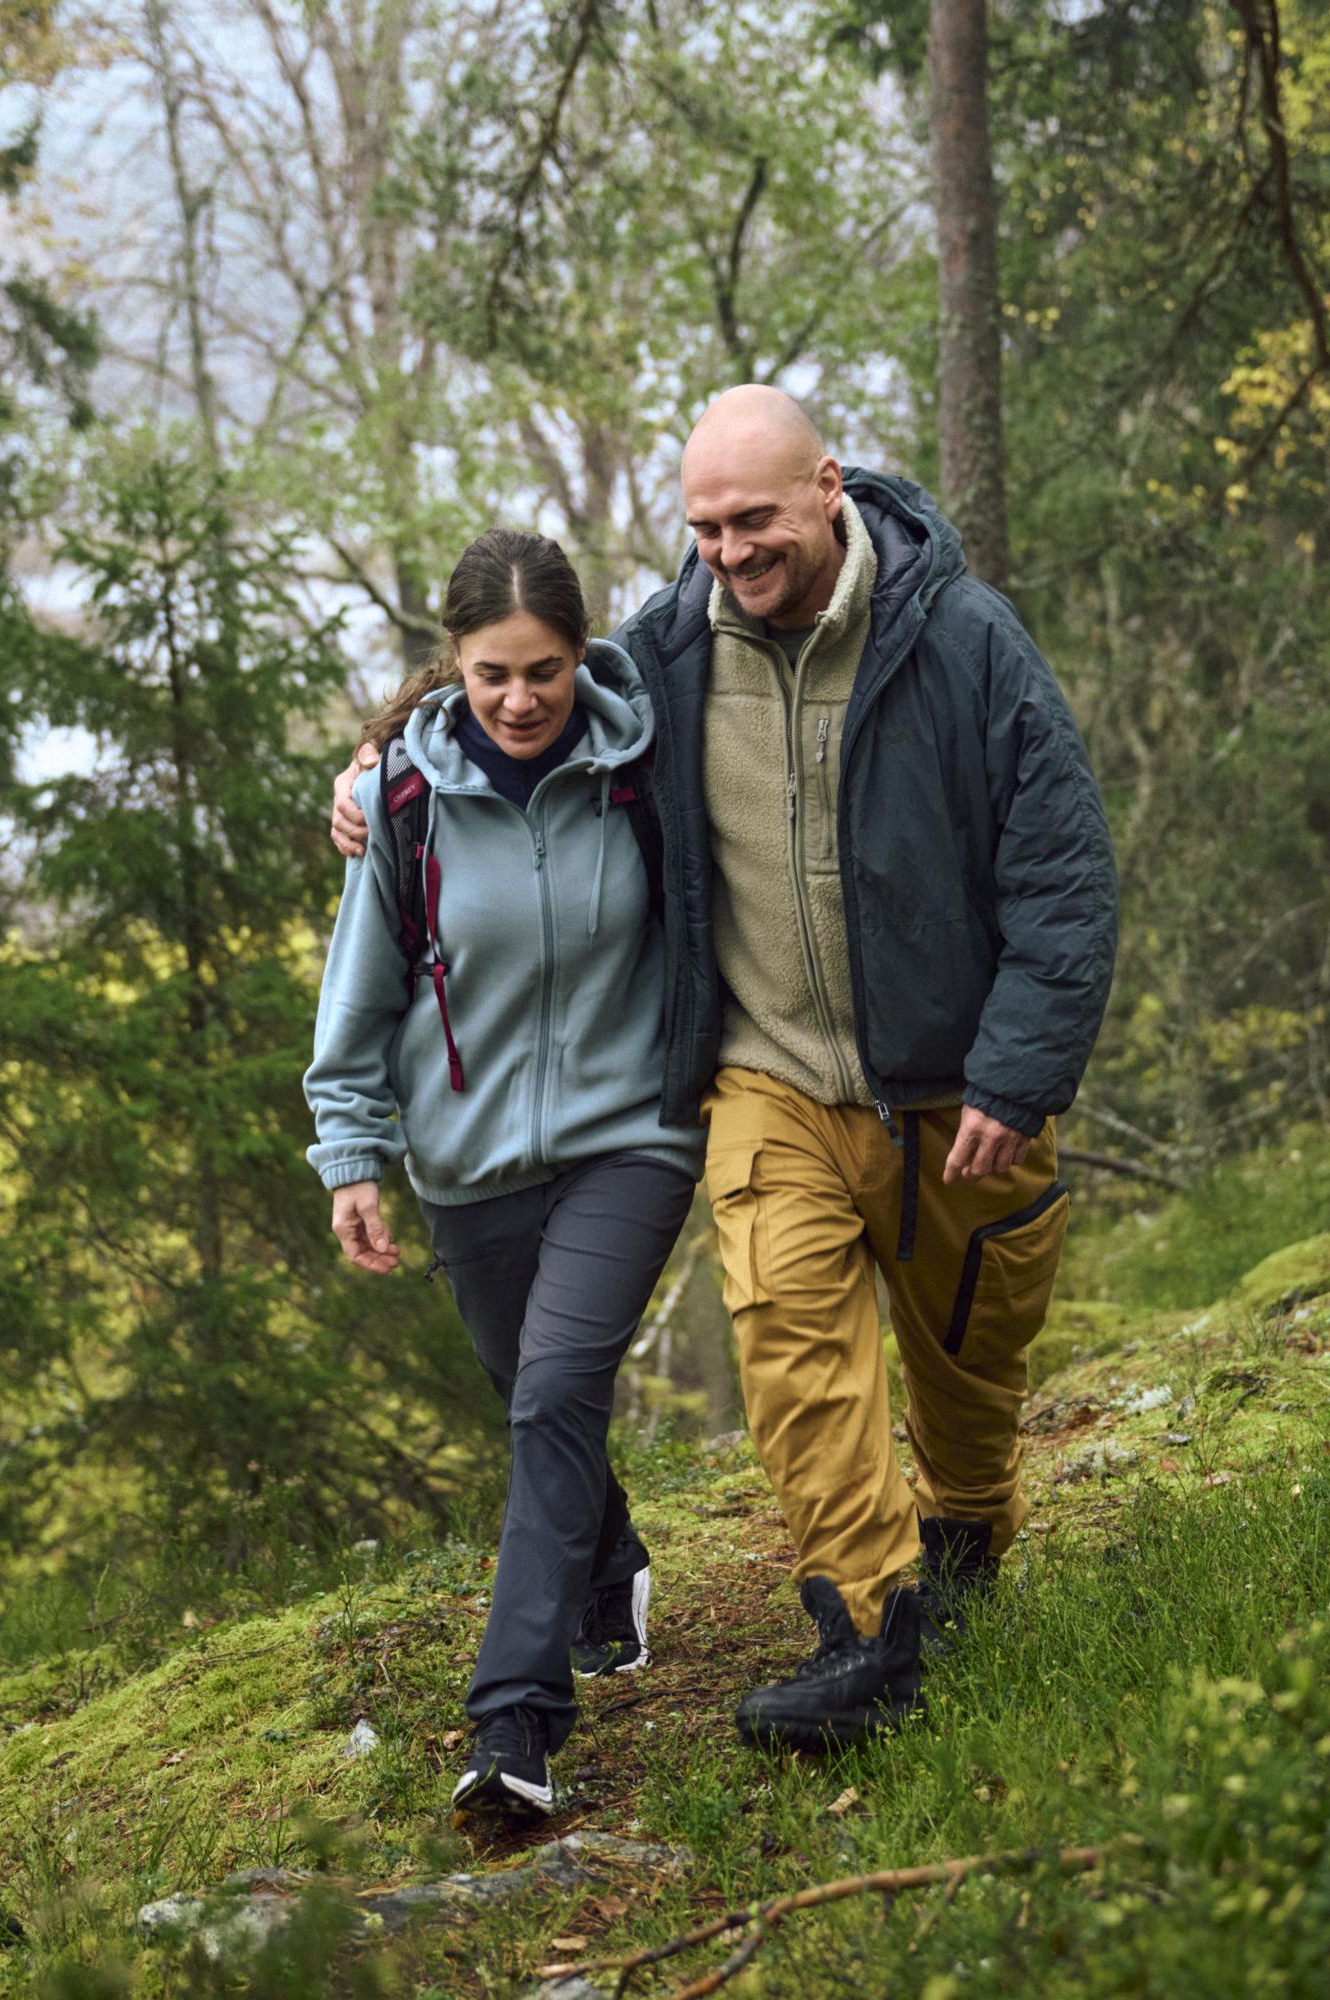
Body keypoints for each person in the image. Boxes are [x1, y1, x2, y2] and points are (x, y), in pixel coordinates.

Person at [338, 389, 1120, 1754]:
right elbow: (521, 679)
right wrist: (375, 755)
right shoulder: (670, 653)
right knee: (791, 1343)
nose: (728, 550)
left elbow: (1062, 870)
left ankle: (970, 1544)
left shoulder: (965, 642)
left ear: (830, 489)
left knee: (968, 1373)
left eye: (752, 519)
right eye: (702, 526)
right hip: (768, 1074)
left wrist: (1018, 1069)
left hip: (955, 1089)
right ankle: (875, 1636)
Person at [305, 529, 699, 1820]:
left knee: (555, 1392)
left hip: (629, 1136)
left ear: (581, 654)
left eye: (543, 670)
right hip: (467, 1167)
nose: (521, 699)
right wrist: (352, 1151)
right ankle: (607, 1565)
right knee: (531, 1393)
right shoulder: (409, 802)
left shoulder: (642, 765)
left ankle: (514, 1727)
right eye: (492, 676)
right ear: (453, 668)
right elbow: (360, 994)